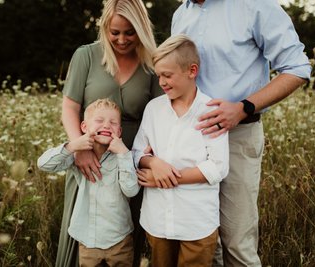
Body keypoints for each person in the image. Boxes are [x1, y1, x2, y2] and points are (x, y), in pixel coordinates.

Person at [171, 0, 312, 266]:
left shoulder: (254, 5)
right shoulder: (181, 14)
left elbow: (297, 69)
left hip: (238, 135)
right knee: (201, 242)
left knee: (237, 242)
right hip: (189, 139)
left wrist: (243, 108)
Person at [60, 0, 162, 266]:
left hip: (131, 164)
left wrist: (149, 158)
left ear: (141, 29)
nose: (121, 39)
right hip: (89, 160)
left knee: (126, 241)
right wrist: (79, 147)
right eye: (114, 32)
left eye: (130, 32)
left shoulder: (152, 64)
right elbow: (70, 108)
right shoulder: (86, 56)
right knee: (86, 234)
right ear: (104, 27)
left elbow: (162, 114)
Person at [132, 34, 229, 267]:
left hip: (196, 222)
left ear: (192, 70)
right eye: (159, 76)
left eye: (168, 75)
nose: (162, 82)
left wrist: (165, 179)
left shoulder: (211, 111)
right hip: (158, 220)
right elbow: (137, 152)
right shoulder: (154, 109)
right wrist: (155, 164)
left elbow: (217, 167)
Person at [38, 99, 139, 267]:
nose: (107, 125)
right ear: (84, 127)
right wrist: (72, 146)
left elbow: (131, 190)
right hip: (87, 239)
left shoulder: (124, 157)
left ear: (119, 131)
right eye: (99, 121)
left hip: (119, 239)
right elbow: (43, 164)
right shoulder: (78, 156)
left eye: (113, 123)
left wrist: (123, 154)